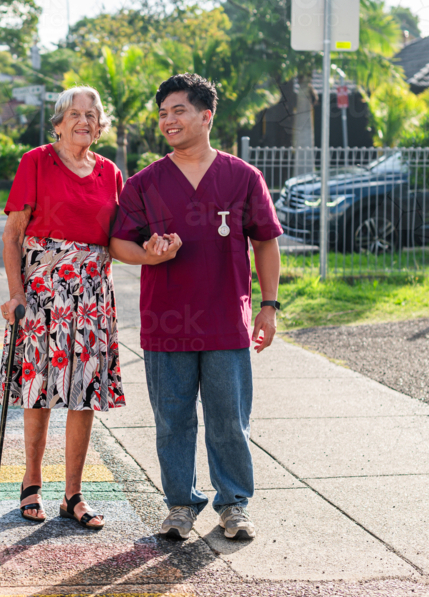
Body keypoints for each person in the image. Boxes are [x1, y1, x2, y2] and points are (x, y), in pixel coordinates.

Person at [109, 73, 282, 541]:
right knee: (173, 420)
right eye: (163, 113)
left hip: (227, 320)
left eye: (178, 111)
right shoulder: (146, 183)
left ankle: (234, 504)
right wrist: (149, 254)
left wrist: (268, 305)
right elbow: (118, 243)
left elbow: (265, 242)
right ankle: (180, 506)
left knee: (229, 419)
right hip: (167, 323)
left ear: (206, 116)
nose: (169, 120)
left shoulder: (243, 177)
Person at [0, 86, 126, 529]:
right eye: (74, 114)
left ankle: (73, 493)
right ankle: (31, 482)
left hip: (92, 296)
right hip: (42, 294)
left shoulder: (110, 173)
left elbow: (116, 240)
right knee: (39, 389)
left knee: (84, 392)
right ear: (57, 122)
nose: (84, 121)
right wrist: (16, 294)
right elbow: (13, 235)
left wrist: (154, 250)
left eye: (92, 114)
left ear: (100, 124)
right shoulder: (36, 161)